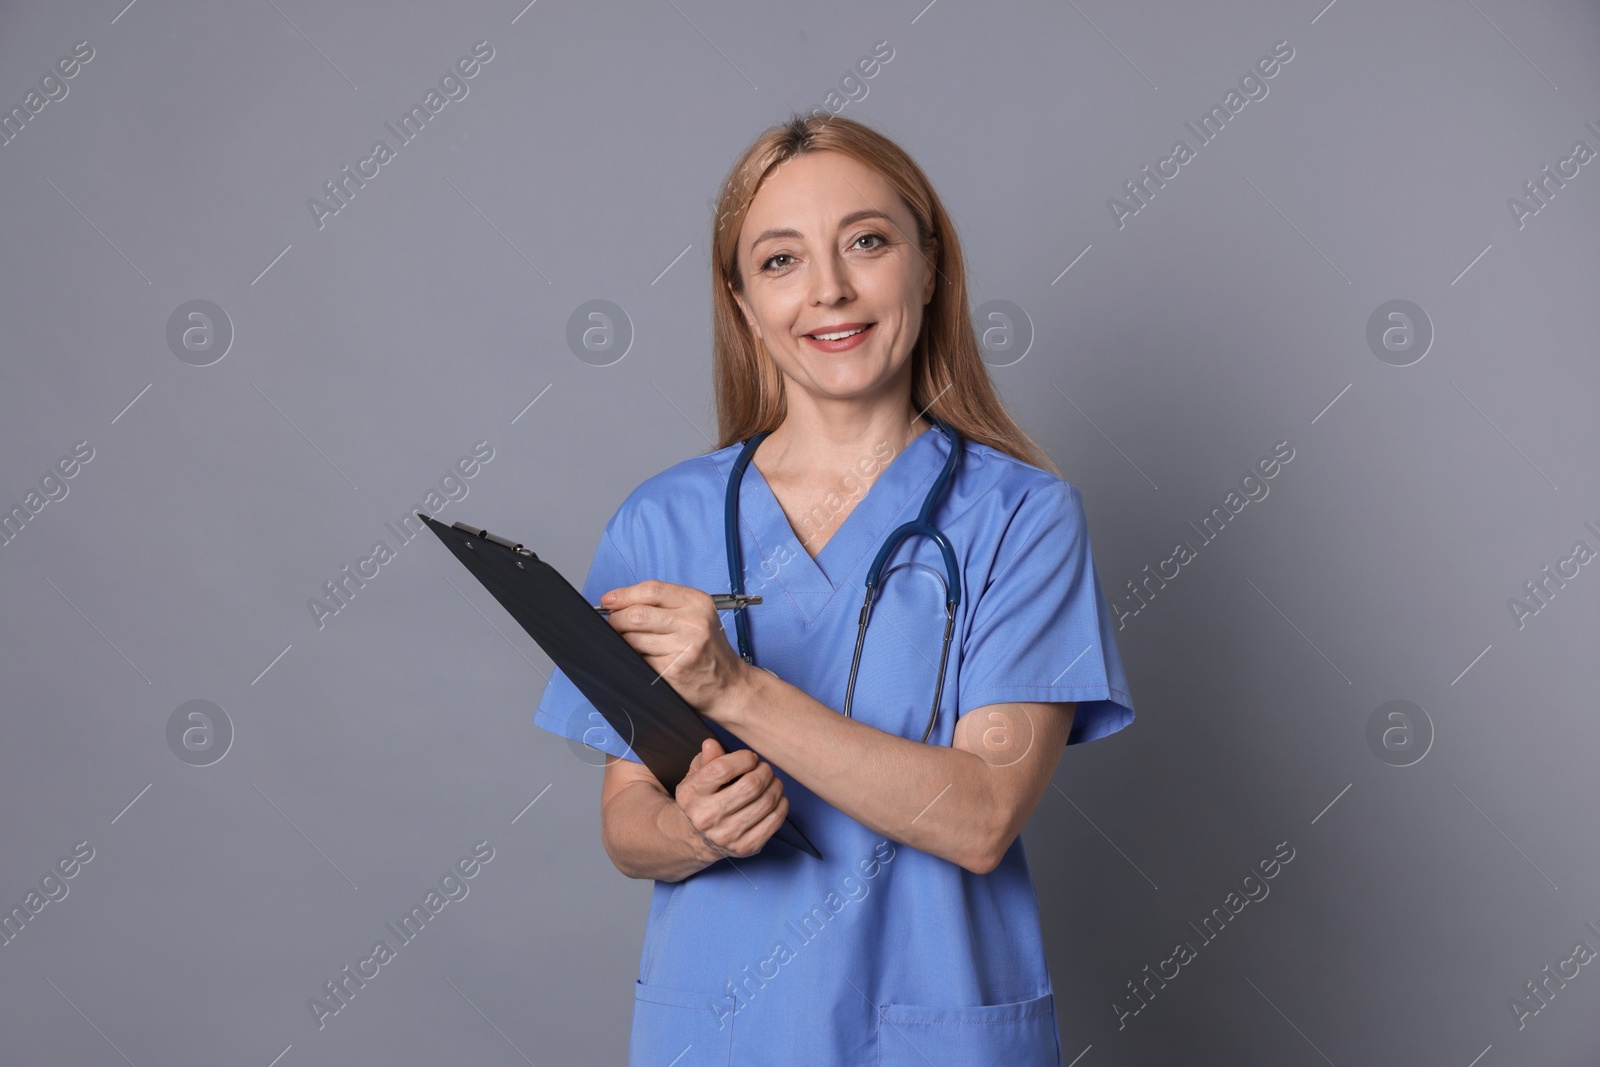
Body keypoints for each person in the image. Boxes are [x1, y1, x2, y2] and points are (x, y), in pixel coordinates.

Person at [532, 112, 1135, 1066]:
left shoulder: (1023, 518)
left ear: (928, 268)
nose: (829, 290)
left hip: (933, 1028)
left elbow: (980, 819)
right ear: (740, 304)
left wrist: (735, 689)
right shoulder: (661, 523)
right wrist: (690, 831)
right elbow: (626, 824)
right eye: (779, 261)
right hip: (724, 1029)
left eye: (867, 241)